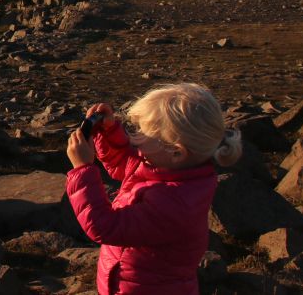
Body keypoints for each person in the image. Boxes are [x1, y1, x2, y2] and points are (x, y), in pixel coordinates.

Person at [65, 83, 242, 295]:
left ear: (176, 151)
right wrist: (109, 131)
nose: (135, 138)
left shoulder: (173, 203)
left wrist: (83, 169)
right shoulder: (164, 167)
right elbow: (125, 162)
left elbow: (105, 227)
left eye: (143, 133)